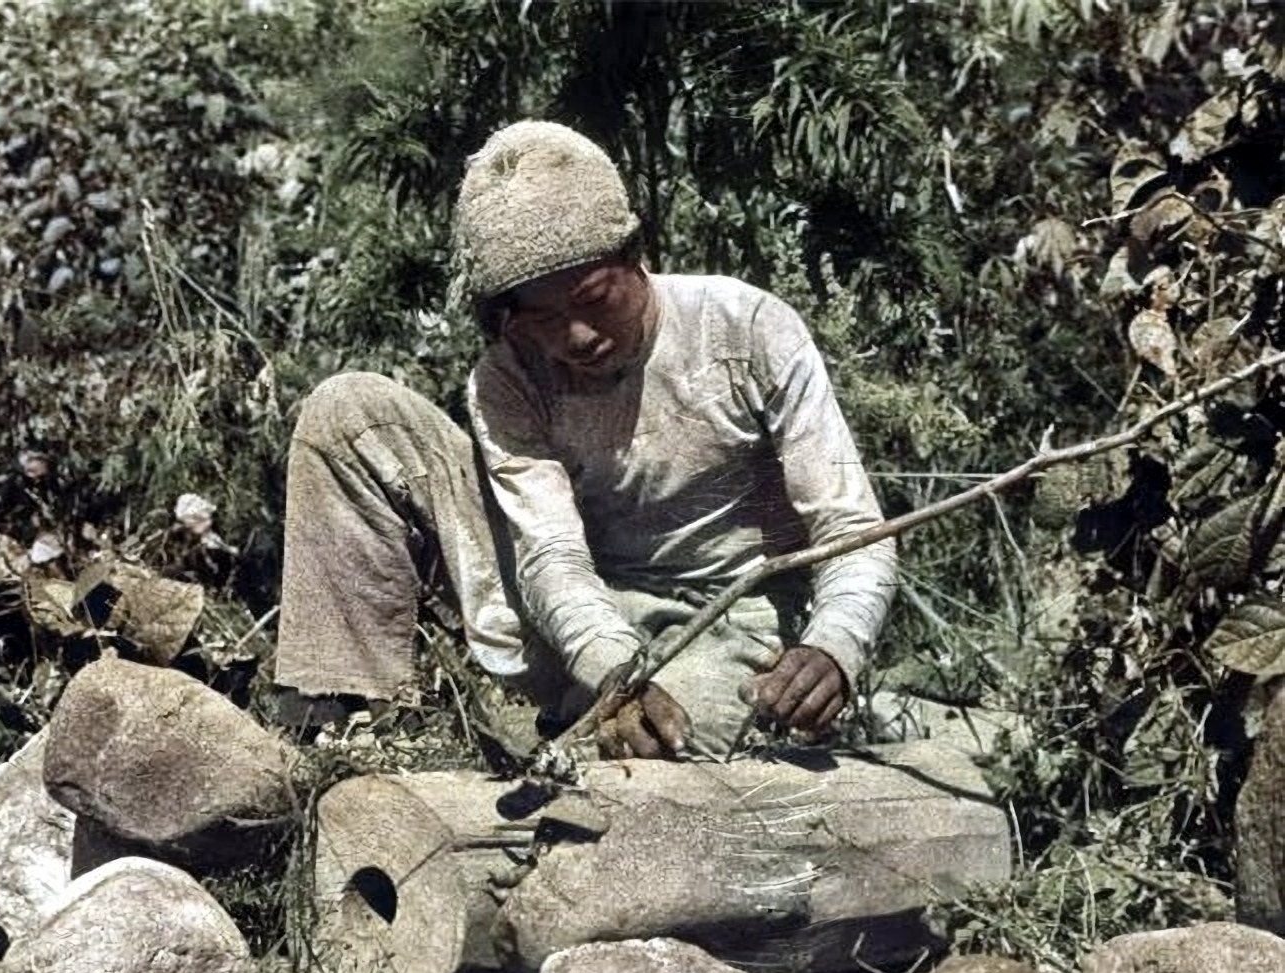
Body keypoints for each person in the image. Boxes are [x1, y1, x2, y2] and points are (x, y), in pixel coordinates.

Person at [275, 121, 897, 757]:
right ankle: (338, 727)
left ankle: (569, 729)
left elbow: (851, 528)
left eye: (594, 299)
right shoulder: (509, 375)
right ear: (508, 318)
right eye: (541, 318)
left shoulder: (747, 330)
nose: (575, 337)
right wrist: (616, 670)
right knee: (351, 414)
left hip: (738, 624)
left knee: (676, 742)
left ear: (635, 256)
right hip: (580, 612)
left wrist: (835, 646)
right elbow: (550, 558)